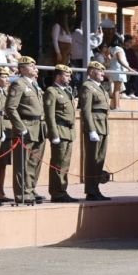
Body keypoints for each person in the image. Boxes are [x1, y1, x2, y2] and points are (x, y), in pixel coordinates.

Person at [5, 56, 47, 205]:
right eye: (31, 65)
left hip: (38, 127)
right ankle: (22, 193)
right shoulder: (19, 84)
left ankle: (30, 189)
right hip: (26, 126)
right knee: (23, 163)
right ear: (22, 69)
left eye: (35, 65)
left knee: (34, 162)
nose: (35, 68)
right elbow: (10, 108)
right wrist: (20, 127)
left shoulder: (34, 84)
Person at [44, 64, 78, 202]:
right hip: (59, 130)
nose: (69, 78)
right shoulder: (52, 91)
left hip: (68, 132)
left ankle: (62, 190)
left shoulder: (67, 91)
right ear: (58, 76)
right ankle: (57, 193)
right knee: (58, 164)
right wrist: (54, 134)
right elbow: (49, 115)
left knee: (65, 164)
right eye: (67, 75)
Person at [79, 61, 111, 201]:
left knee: (99, 159)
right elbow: (86, 110)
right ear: (91, 72)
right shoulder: (88, 87)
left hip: (103, 126)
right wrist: (91, 130)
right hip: (95, 126)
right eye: (100, 71)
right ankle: (91, 191)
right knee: (92, 160)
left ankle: (96, 188)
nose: (103, 73)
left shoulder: (100, 87)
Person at [0, 66, 11, 205]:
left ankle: (0, 192)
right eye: (3, 77)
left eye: (7, 77)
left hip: (6, 130)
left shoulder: (6, 93)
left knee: (2, 163)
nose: (6, 79)